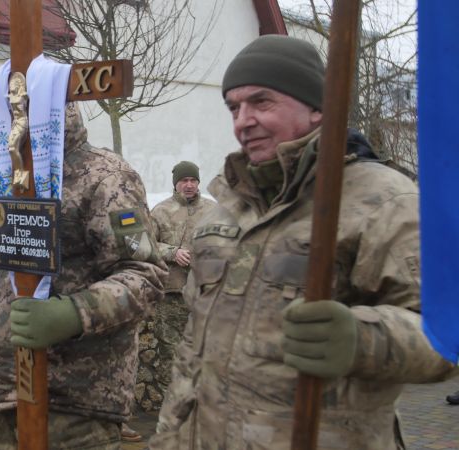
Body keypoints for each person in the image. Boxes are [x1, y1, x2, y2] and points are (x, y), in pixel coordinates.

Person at [151, 35, 455, 449]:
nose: (243, 120)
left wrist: (361, 338)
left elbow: (446, 335)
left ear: (316, 108)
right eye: (234, 107)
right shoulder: (226, 209)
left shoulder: (383, 200)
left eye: (261, 102)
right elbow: (192, 353)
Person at [0, 103, 168, 449]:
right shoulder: (13, 176)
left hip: (75, 405)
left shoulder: (106, 176)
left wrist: (73, 313)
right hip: (6, 398)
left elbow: (145, 275)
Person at [150, 161, 216, 390]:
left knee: (205, 351)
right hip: (171, 294)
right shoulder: (160, 211)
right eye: (184, 181)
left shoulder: (213, 210)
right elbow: (143, 244)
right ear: (175, 183)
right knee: (171, 352)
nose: (189, 185)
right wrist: (172, 252)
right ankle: (172, 405)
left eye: (193, 180)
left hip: (205, 293)